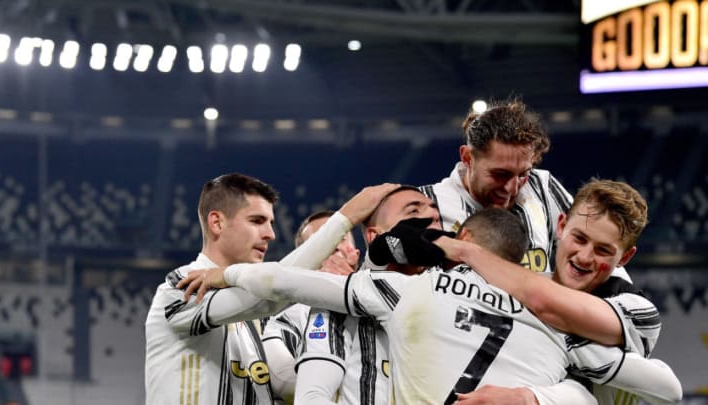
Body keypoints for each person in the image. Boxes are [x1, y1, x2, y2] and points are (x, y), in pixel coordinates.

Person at [175, 208, 681, 405]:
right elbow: (663, 389)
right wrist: (531, 399)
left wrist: (226, 273)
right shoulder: (556, 317)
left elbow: (283, 281)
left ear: (459, 239)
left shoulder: (400, 291)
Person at [144, 174, 396, 405]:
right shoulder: (178, 289)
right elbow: (269, 295)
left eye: (271, 223)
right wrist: (344, 219)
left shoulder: (265, 323)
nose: (271, 234)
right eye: (257, 221)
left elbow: (293, 387)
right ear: (217, 223)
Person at [431, 179, 660, 405]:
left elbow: (668, 389)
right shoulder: (516, 284)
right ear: (561, 226)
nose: (584, 257)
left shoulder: (639, 313)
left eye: (602, 250)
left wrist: (465, 251)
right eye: (579, 238)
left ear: (625, 257)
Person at [294, 186, 444, 405]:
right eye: (413, 212)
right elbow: (311, 399)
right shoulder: (339, 305)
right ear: (376, 236)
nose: (432, 217)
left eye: (435, 214)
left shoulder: (459, 296)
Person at [421, 98, 571, 274]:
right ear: (467, 158)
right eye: (500, 174)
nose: (512, 189)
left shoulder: (542, 186)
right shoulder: (424, 204)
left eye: (523, 174)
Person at [261, 210, 360, 402]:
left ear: (356, 254)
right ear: (304, 261)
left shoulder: (383, 302)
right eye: (319, 241)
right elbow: (285, 383)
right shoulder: (283, 323)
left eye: (340, 237)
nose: (332, 245)